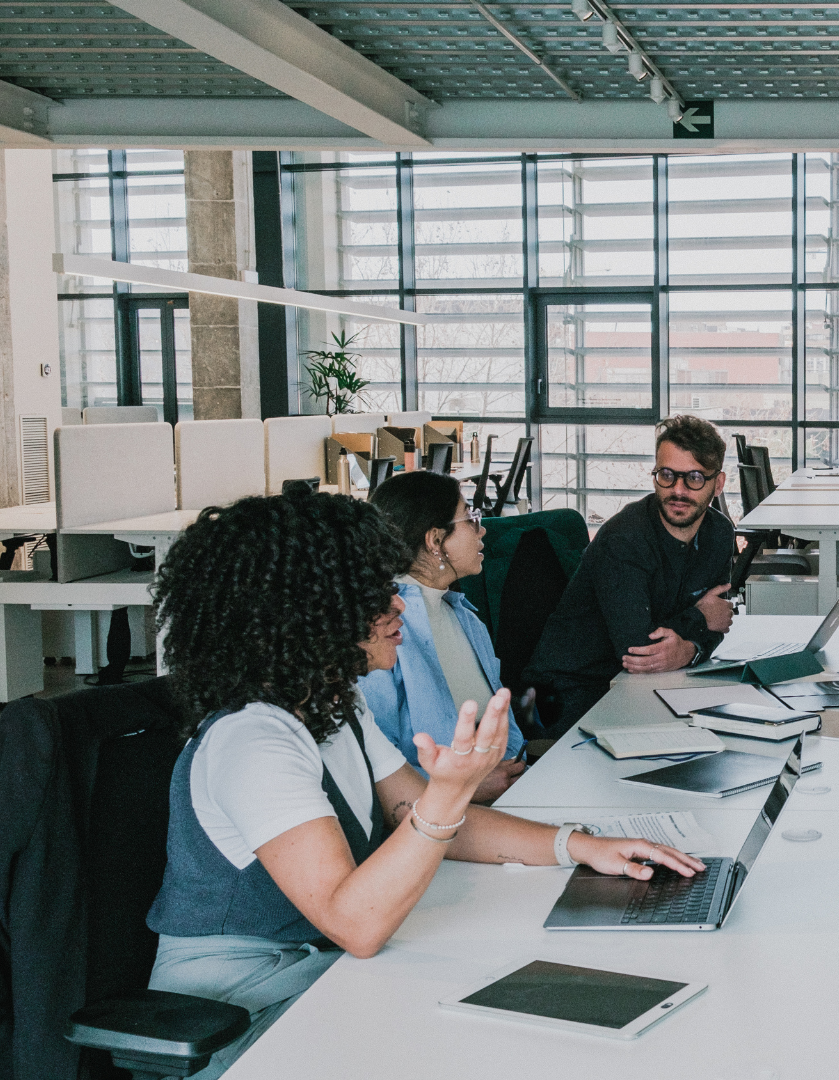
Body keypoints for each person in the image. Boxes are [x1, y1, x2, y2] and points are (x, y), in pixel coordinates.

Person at [144, 492, 703, 1077]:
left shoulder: (332, 706)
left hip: (323, 976)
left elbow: (413, 811)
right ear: (306, 611)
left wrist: (580, 846)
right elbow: (356, 923)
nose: (397, 606)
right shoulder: (254, 741)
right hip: (241, 1019)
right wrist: (451, 791)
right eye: (372, 596)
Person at [528, 415, 738, 727]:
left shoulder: (719, 533)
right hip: (574, 691)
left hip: (649, 684)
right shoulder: (625, 538)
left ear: (717, 484)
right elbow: (640, 651)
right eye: (666, 475)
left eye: (694, 478)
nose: (677, 491)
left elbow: (717, 624)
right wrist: (700, 619)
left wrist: (691, 649)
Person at [361, 470, 524, 804]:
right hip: (439, 819)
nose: (483, 529)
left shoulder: (465, 617)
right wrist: (467, 788)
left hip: (512, 794)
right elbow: (373, 766)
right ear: (435, 540)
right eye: (470, 519)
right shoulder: (381, 634)